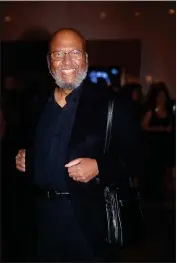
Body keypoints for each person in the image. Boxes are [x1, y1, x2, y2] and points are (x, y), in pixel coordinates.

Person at [15, 28, 142, 262]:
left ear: (86, 58)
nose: (67, 61)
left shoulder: (110, 103)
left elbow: (139, 158)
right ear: (48, 62)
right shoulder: (35, 102)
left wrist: (100, 166)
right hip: (40, 222)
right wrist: (25, 156)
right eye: (58, 54)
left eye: (74, 52)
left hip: (89, 224)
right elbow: (29, 143)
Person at [141, 82, 173, 201]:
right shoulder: (150, 112)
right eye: (160, 96)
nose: (162, 99)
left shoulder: (169, 112)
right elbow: (144, 126)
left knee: (161, 172)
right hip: (152, 146)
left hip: (163, 147)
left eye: (163, 96)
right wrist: (161, 129)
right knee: (151, 172)